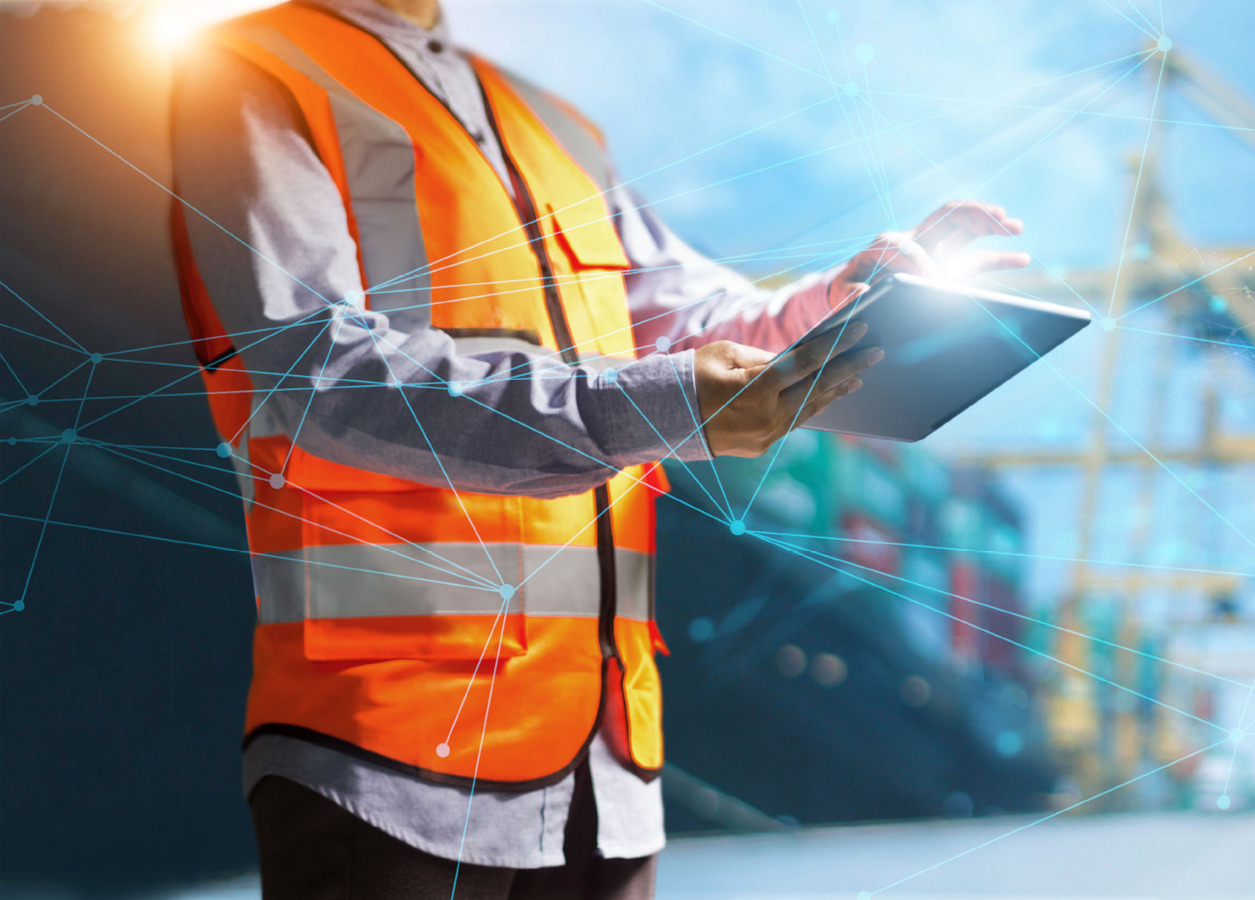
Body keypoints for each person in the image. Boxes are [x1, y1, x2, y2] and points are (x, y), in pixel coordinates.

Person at [169, 0, 1028, 896]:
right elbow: (314, 370)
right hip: (390, 738)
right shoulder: (259, 73)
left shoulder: (553, 122)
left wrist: (846, 304)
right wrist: (657, 407)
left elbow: (683, 316)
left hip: (605, 749)